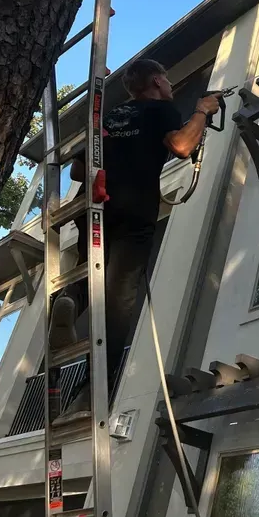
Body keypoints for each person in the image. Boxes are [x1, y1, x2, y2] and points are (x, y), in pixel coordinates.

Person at [50, 58, 221, 423]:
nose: (171, 86)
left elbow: (79, 169)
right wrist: (202, 111)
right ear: (158, 81)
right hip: (134, 209)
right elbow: (182, 146)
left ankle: (69, 300)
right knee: (117, 303)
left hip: (95, 208)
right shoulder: (161, 110)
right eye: (169, 80)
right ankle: (88, 397)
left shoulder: (110, 118)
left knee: (86, 274)